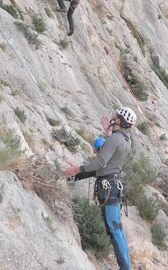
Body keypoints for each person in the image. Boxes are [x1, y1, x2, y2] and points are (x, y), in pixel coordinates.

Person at [64, 107, 137, 270]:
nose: (114, 117)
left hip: (108, 187)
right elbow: (112, 156)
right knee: (117, 229)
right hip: (115, 185)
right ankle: (126, 267)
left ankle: (125, 268)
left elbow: (101, 163)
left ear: (121, 121)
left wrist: (78, 169)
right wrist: (109, 133)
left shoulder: (115, 139)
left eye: (117, 116)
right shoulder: (126, 140)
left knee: (114, 230)